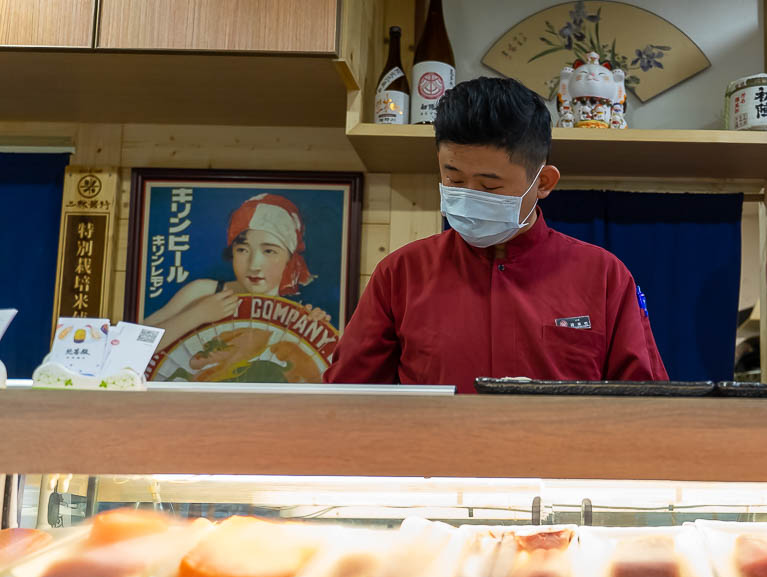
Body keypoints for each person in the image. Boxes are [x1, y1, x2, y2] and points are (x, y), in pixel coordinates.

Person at [323, 77, 668, 390]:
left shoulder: (604, 277)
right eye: (454, 180)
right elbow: (347, 398)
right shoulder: (401, 274)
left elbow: (645, 404)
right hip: (437, 458)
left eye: (490, 186)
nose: (469, 195)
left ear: (543, 183)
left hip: (559, 459)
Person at [145, 193, 320, 352]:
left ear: (289, 259)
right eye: (243, 250)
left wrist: (313, 332)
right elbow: (136, 342)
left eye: (269, 251)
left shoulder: (294, 313)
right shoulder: (204, 292)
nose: (254, 265)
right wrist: (197, 315)